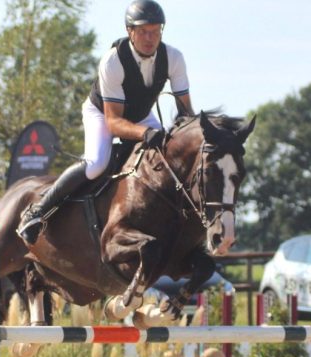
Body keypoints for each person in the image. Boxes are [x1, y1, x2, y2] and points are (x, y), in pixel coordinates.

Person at [18, 0, 195, 244]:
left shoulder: (174, 58)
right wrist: (145, 133)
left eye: (155, 31)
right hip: (102, 114)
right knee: (96, 164)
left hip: (140, 114)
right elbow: (114, 123)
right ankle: (39, 209)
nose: (150, 38)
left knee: (167, 157)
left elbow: (186, 112)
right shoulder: (113, 61)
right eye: (143, 31)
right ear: (129, 31)